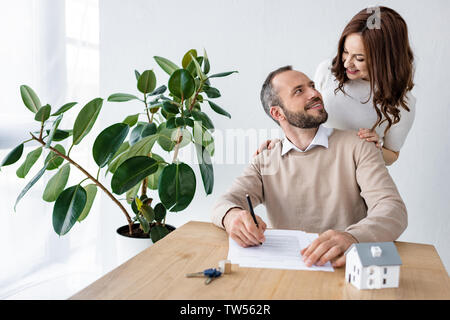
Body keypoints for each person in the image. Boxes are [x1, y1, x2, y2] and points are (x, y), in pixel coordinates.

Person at [211, 66, 407, 268]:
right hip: (287, 272)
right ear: (278, 113)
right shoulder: (265, 159)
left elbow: (393, 210)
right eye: (299, 91)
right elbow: (224, 202)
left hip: (344, 269)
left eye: (312, 86)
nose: (315, 93)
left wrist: (353, 237)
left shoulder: (359, 146)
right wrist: (231, 216)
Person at [255, 6, 416, 166]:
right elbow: (304, 120)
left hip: (354, 179)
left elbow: (393, 155)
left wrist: (376, 149)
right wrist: (282, 146)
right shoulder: (328, 71)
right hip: (314, 166)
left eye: (359, 58)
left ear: (385, 60)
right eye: (345, 51)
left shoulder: (402, 102)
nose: (347, 63)